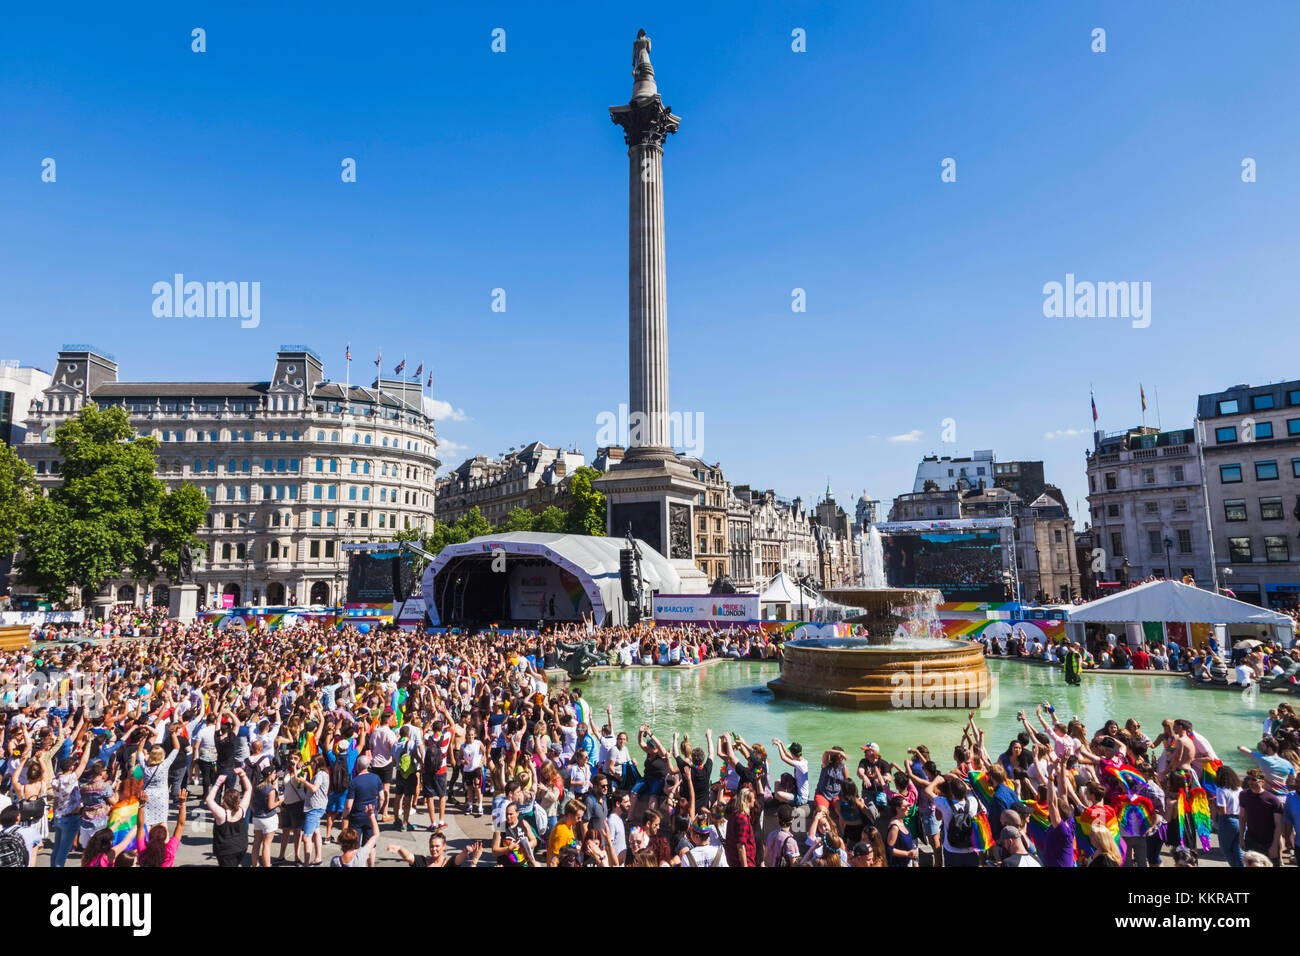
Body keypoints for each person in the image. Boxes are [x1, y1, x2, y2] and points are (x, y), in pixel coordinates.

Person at [206, 768, 252, 867]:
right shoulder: (242, 810)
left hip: (225, 851)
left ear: (224, 801)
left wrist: (218, 783)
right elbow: (249, 789)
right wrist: (242, 774)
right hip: (241, 847)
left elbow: (209, 799)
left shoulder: (222, 814)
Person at [1239, 769, 1283, 866]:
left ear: (1262, 782)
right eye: (1248, 779)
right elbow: (1242, 817)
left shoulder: (1273, 799)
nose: (1250, 782)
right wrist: (1241, 838)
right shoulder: (1243, 795)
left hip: (1269, 841)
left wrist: (1275, 845)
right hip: (1251, 840)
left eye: (1254, 779)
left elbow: (1278, 824)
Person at [389, 832, 484, 867]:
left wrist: (466, 851)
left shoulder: (448, 863)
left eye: (437, 846)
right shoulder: (422, 862)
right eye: (431, 846)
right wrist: (399, 849)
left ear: (444, 846)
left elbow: (458, 859)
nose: (434, 849)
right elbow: (409, 856)